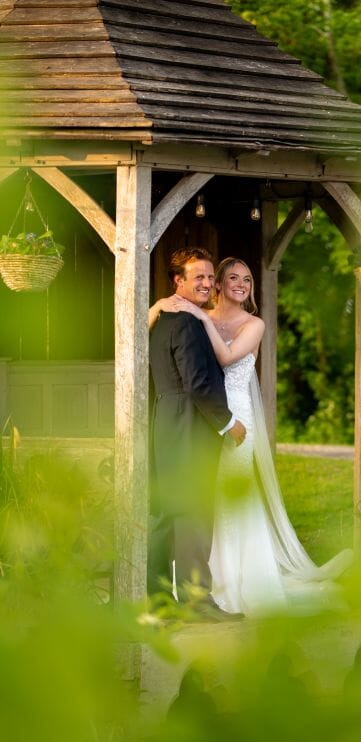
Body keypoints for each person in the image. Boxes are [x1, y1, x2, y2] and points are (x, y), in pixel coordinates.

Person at [150, 257, 352, 617]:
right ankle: (201, 586)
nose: (240, 284)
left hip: (234, 416)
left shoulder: (248, 324)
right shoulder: (191, 317)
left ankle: (240, 581)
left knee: (229, 500)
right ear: (218, 285)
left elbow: (226, 359)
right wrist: (157, 306)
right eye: (231, 278)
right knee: (201, 504)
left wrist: (200, 319)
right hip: (203, 420)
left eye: (247, 279)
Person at [147, 247, 246, 616]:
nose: (206, 283)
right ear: (179, 281)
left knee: (165, 512)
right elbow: (199, 384)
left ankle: (156, 601)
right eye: (197, 277)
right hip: (190, 426)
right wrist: (228, 423)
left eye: (209, 276)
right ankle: (197, 602)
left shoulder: (162, 320)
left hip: (166, 423)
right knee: (194, 513)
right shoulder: (188, 323)